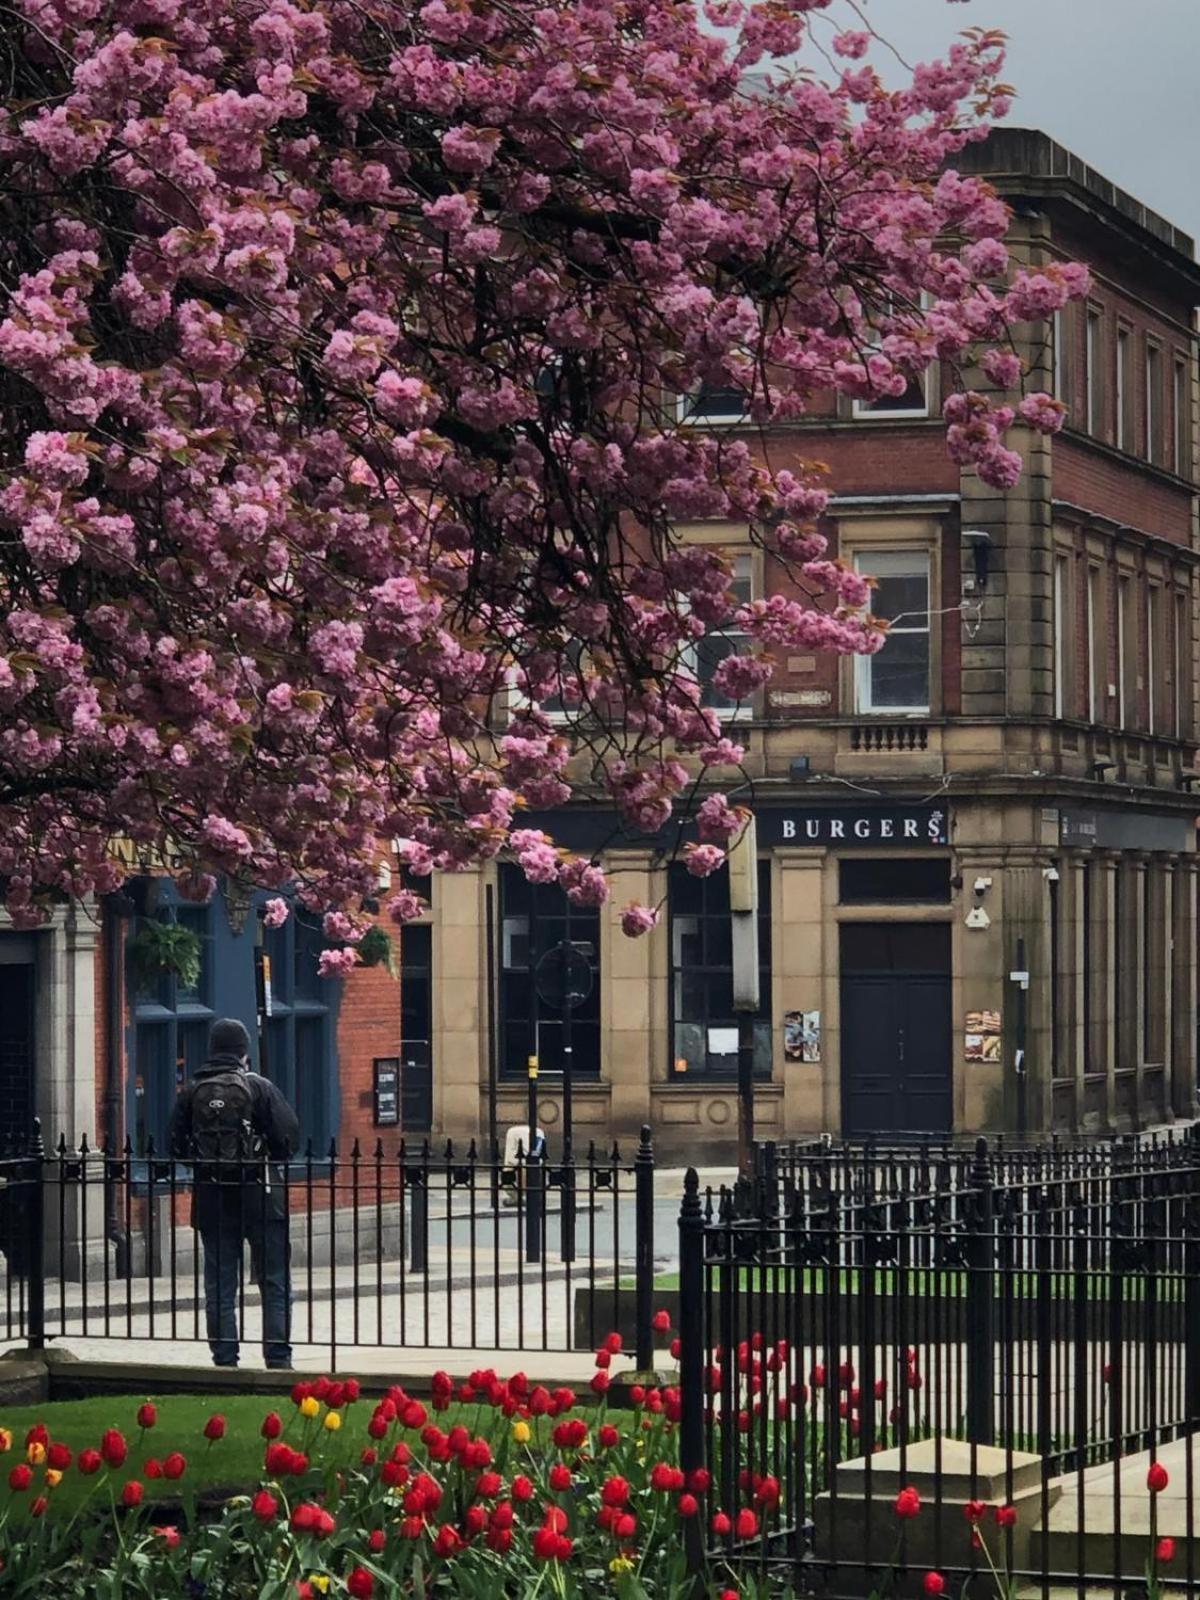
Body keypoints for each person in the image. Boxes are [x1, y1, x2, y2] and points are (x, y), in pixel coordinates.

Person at [168, 1018, 299, 1369]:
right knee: (273, 1280)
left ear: (212, 1049)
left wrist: (206, 1163)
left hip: (212, 1197)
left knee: (221, 1285)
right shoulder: (259, 1088)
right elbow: (289, 1140)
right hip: (261, 1196)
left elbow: (173, 1145)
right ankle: (278, 1358)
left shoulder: (193, 1092)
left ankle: (225, 1360)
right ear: (244, 1052)